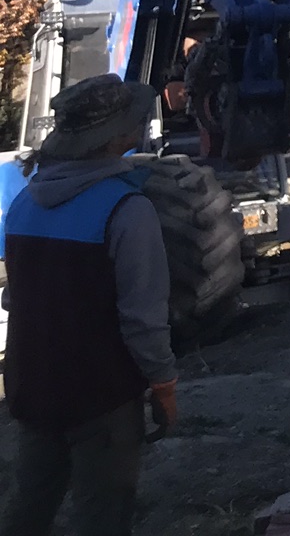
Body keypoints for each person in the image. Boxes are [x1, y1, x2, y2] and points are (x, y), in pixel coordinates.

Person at [2, 75, 177, 536]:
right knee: (102, 515)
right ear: (116, 138)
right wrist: (163, 385)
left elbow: (17, 296)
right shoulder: (126, 209)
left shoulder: (24, 204)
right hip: (100, 396)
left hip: (31, 385)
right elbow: (142, 318)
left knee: (29, 507)